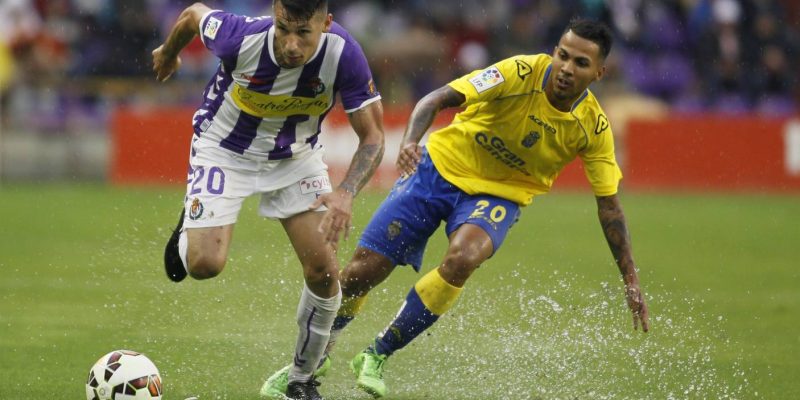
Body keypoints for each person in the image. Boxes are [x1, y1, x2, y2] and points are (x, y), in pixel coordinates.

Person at [151, 1, 385, 399]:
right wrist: (169, 52)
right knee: (205, 265)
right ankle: (192, 221)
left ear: (326, 23)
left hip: (295, 158)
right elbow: (192, 14)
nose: (291, 45)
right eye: (283, 29)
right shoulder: (238, 36)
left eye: (304, 34)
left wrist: (345, 192)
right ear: (275, 13)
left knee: (324, 273)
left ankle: (300, 381)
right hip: (224, 149)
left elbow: (374, 137)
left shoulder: (345, 54)